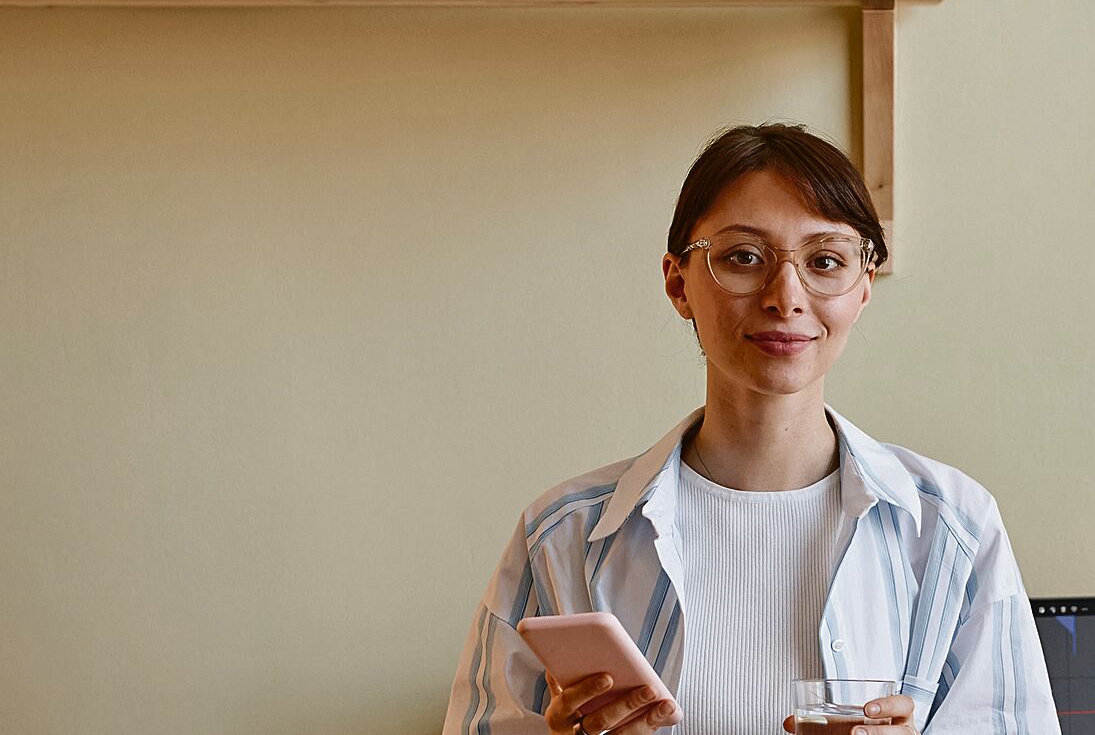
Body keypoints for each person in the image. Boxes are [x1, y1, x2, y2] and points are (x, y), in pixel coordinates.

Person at [441, 123, 1059, 735]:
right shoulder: (562, 538)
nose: (785, 296)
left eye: (825, 261)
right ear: (677, 282)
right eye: (743, 257)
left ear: (863, 287)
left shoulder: (953, 530)